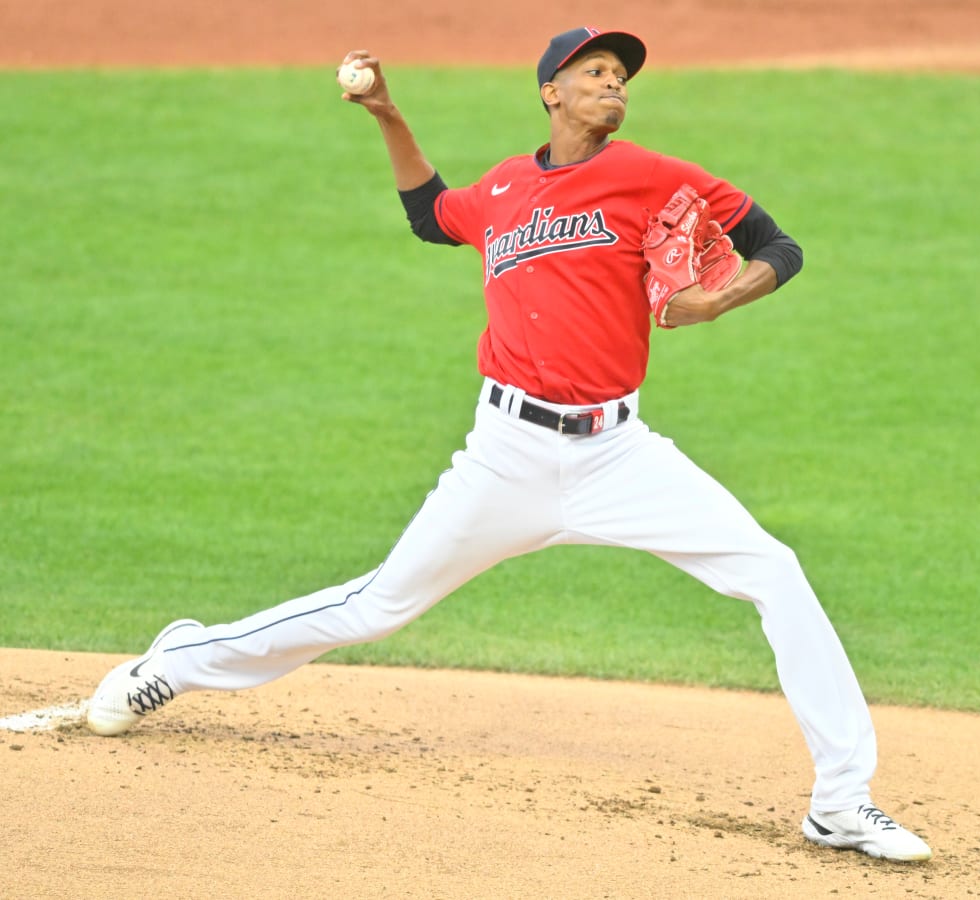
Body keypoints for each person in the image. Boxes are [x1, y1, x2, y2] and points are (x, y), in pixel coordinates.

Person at [86, 27, 932, 862]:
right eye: (594, 72)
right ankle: (180, 659)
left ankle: (842, 801)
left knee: (775, 572)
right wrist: (386, 113)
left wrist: (721, 301)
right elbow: (429, 216)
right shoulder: (502, 192)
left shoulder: (654, 175)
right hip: (506, 457)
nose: (614, 85)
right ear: (550, 92)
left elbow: (779, 246)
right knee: (378, 606)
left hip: (619, 456)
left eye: (621, 75)